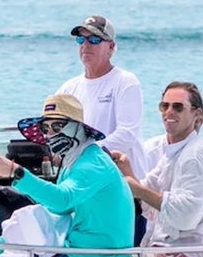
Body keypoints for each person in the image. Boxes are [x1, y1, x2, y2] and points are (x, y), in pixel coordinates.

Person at [0, 93, 134, 257]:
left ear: (79, 127)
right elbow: (54, 215)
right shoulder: (72, 164)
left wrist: (16, 172)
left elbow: (62, 200)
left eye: (58, 126)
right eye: (45, 128)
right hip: (80, 251)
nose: (50, 134)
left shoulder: (94, 163)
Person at [112, 82, 203, 257]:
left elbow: (185, 217)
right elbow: (148, 199)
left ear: (196, 115)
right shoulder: (174, 151)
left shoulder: (194, 156)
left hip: (186, 255)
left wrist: (139, 190)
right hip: (166, 250)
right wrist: (126, 170)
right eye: (164, 106)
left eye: (178, 107)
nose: (169, 112)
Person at [55, 15, 149, 178]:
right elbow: (53, 130)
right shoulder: (67, 89)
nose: (85, 45)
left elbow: (127, 135)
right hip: (82, 181)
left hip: (122, 183)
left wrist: (84, 153)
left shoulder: (126, 82)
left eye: (94, 39)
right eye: (81, 39)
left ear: (111, 47)